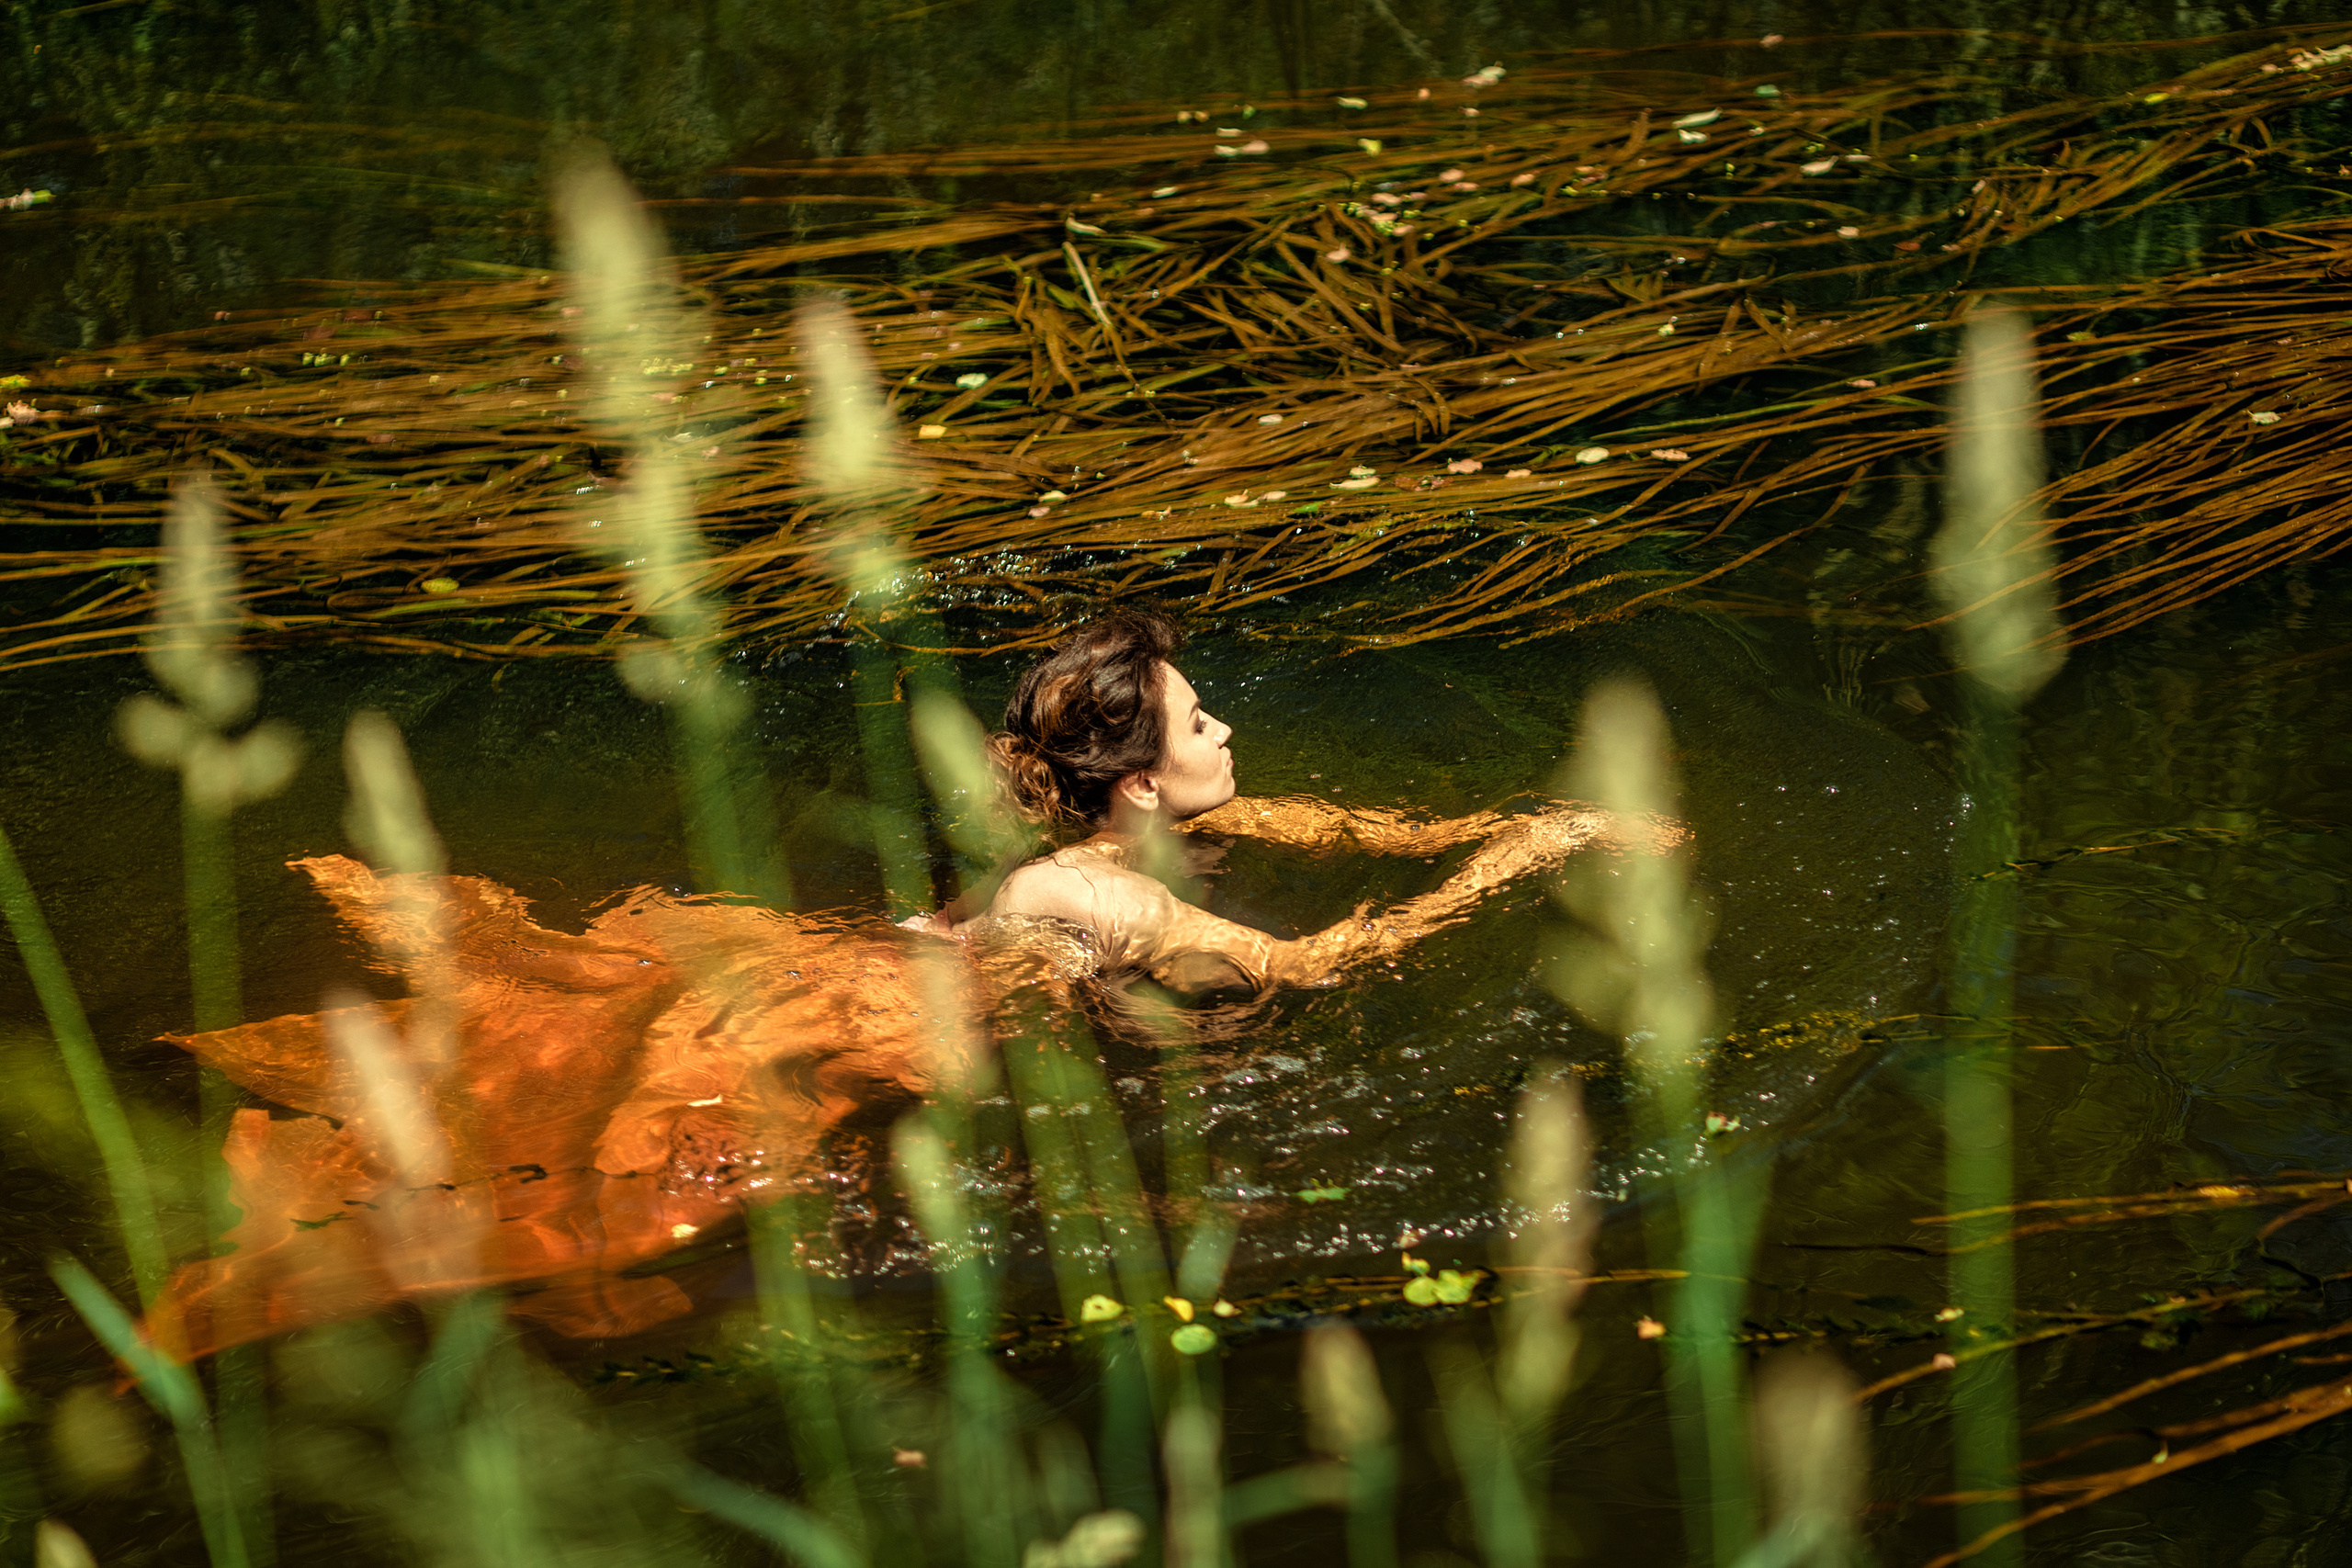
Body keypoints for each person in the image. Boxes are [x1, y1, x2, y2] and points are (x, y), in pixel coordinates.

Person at [906, 610, 1612, 994]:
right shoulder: (1096, 891)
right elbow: (1298, 965)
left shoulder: (1109, 822)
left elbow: (1379, 834)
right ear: (1143, 784)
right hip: (893, 1016)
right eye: (1197, 725)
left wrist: (1534, 826)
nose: (1224, 730)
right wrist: (1504, 868)